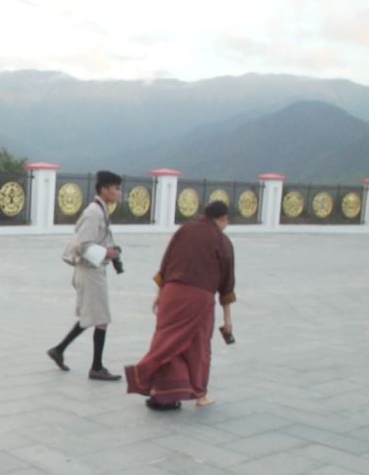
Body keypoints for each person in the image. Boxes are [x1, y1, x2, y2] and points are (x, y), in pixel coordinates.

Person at [125, 200, 236, 410]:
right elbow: (227, 285)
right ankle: (200, 395)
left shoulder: (184, 230)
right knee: (199, 346)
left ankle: (162, 392)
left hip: (172, 293)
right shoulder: (223, 242)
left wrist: (160, 293)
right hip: (199, 299)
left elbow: (166, 263)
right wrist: (228, 319)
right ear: (223, 218)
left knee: (167, 342)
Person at [47, 170, 123, 381]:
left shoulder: (101, 210)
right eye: (116, 188)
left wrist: (110, 250)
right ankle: (96, 368)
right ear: (104, 189)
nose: (119, 192)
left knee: (91, 317)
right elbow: (82, 245)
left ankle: (59, 350)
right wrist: (107, 252)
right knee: (101, 319)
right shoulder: (94, 212)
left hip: (93, 269)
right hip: (89, 271)